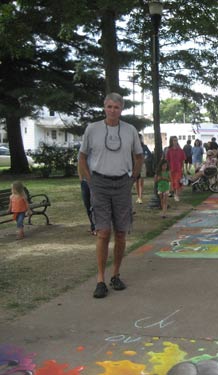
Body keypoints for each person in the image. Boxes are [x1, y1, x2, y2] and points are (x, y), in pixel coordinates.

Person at [78, 92, 144, 299]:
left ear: (121, 109)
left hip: (122, 184)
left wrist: (133, 177)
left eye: (116, 107)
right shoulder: (93, 129)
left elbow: (139, 156)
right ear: (104, 107)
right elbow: (82, 157)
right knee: (103, 232)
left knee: (122, 232)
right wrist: (90, 181)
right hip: (100, 183)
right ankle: (100, 279)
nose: (112, 110)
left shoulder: (130, 130)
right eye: (109, 106)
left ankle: (115, 274)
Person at [165, 135, 185, 202]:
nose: (175, 142)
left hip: (178, 169)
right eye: (174, 140)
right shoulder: (169, 150)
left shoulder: (180, 150)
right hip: (171, 169)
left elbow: (183, 160)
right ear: (171, 141)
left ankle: (176, 195)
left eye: (176, 140)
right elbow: (167, 160)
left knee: (177, 181)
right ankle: (173, 193)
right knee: (173, 182)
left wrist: (183, 168)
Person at [78, 161, 96, 235]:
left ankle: (96, 227)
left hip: (96, 181)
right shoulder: (83, 151)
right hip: (85, 182)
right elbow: (80, 164)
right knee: (87, 204)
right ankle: (93, 225)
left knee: (95, 204)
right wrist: (81, 179)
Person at [136, 134, 152, 204]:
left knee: (141, 181)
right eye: (138, 138)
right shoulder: (133, 146)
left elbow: (149, 154)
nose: (139, 140)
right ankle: (138, 196)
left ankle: (140, 197)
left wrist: (145, 159)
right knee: (136, 181)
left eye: (140, 138)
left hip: (142, 165)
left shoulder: (144, 147)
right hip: (135, 165)